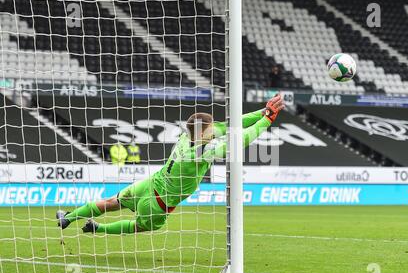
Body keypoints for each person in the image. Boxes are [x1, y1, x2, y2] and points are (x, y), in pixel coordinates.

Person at [56, 94, 285, 234]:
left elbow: (233, 123)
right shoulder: (202, 152)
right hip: (159, 203)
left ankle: (69, 217)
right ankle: (99, 229)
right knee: (142, 227)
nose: (215, 130)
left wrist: (264, 111)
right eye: (211, 129)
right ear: (203, 133)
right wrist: (267, 120)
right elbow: (241, 138)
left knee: (111, 202)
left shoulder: (188, 136)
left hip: (149, 184)